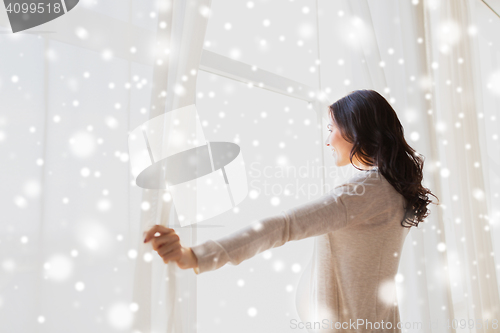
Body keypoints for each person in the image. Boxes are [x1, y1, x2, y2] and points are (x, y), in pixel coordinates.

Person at [143, 89, 439, 332]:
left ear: (356, 130)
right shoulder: (392, 189)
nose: (327, 140)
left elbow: (284, 225)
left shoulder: (363, 192)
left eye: (331, 129)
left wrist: (195, 255)